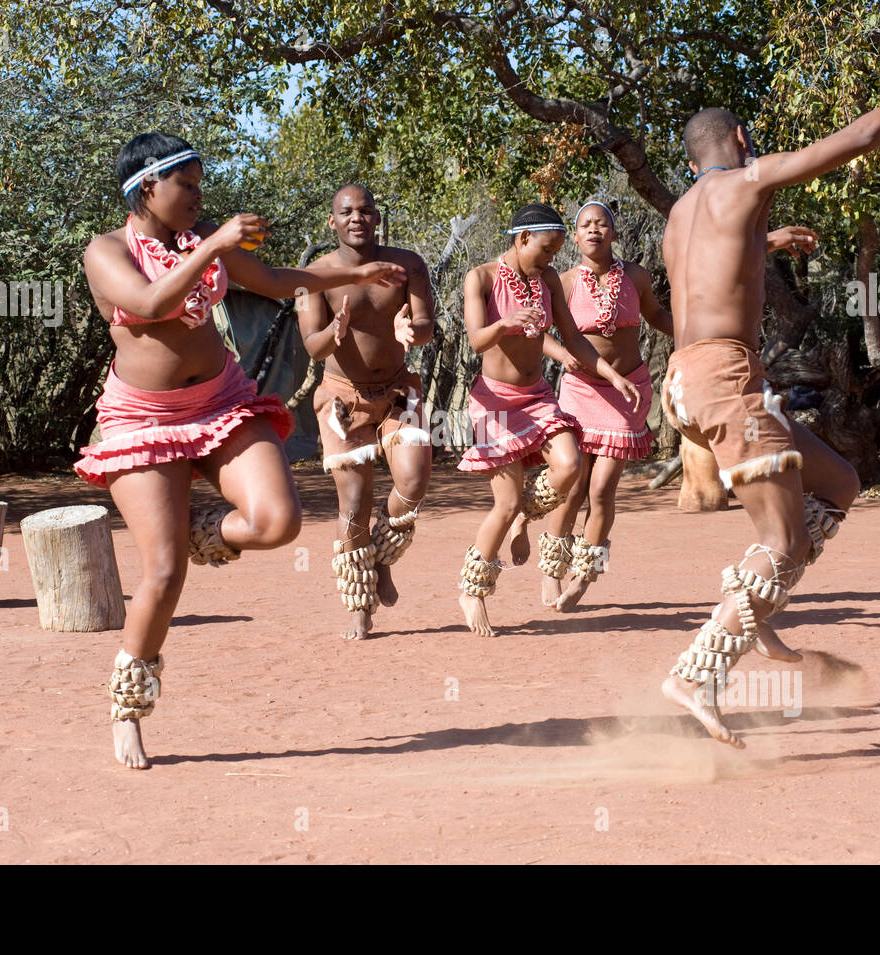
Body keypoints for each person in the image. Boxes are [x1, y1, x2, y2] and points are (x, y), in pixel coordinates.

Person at [659, 79, 880, 747]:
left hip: (684, 384)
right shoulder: (747, 180)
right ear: (741, 141)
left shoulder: (680, 214)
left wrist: (770, 240)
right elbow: (856, 140)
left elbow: (713, 271)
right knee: (781, 543)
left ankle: (751, 606)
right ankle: (702, 668)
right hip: (727, 383)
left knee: (839, 481)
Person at [77, 133, 405, 768]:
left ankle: (203, 527)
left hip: (223, 402)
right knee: (165, 574)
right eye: (189, 185)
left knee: (278, 522)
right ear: (149, 188)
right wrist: (215, 245)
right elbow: (149, 302)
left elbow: (281, 280)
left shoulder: (201, 238)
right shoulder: (107, 251)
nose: (200, 198)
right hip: (143, 420)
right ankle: (129, 709)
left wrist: (352, 272)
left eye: (200, 186)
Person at [457, 203, 640, 637]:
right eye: (546, 249)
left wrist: (611, 373)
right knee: (503, 503)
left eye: (557, 250)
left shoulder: (549, 279)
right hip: (495, 402)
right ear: (522, 240)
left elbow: (572, 337)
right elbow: (476, 340)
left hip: (537, 396)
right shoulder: (480, 278)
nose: (552, 258)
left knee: (570, 466)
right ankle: (473, 588)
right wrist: (505, 324)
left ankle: (525, 519)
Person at [298, 184, 436, 640]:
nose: (357, 217)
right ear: (332, 222)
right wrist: (333, 334)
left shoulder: (407, 265)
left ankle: (380, 553)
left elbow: (425, 325)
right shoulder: (315, 276)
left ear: (377, 218)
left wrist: (410, 330)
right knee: (353, 504)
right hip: (343, 399)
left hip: (397, 392)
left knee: (413, 481)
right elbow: (312, 347)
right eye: (347, 212)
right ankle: (361, 603)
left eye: (366, 210)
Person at [538, 200, 674, 611]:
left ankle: (585, 572)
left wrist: (696, 331)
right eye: (585, 225)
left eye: (602, 224)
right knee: (574, 484)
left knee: (601, 490)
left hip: (628, 391)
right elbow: (536, 332)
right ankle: (551, 570)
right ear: (574, 238)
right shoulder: (561, 282)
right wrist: (562, 357)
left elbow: (656, 316)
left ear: (613, 233)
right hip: (580, 390)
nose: (594, 230)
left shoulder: (636, 276)